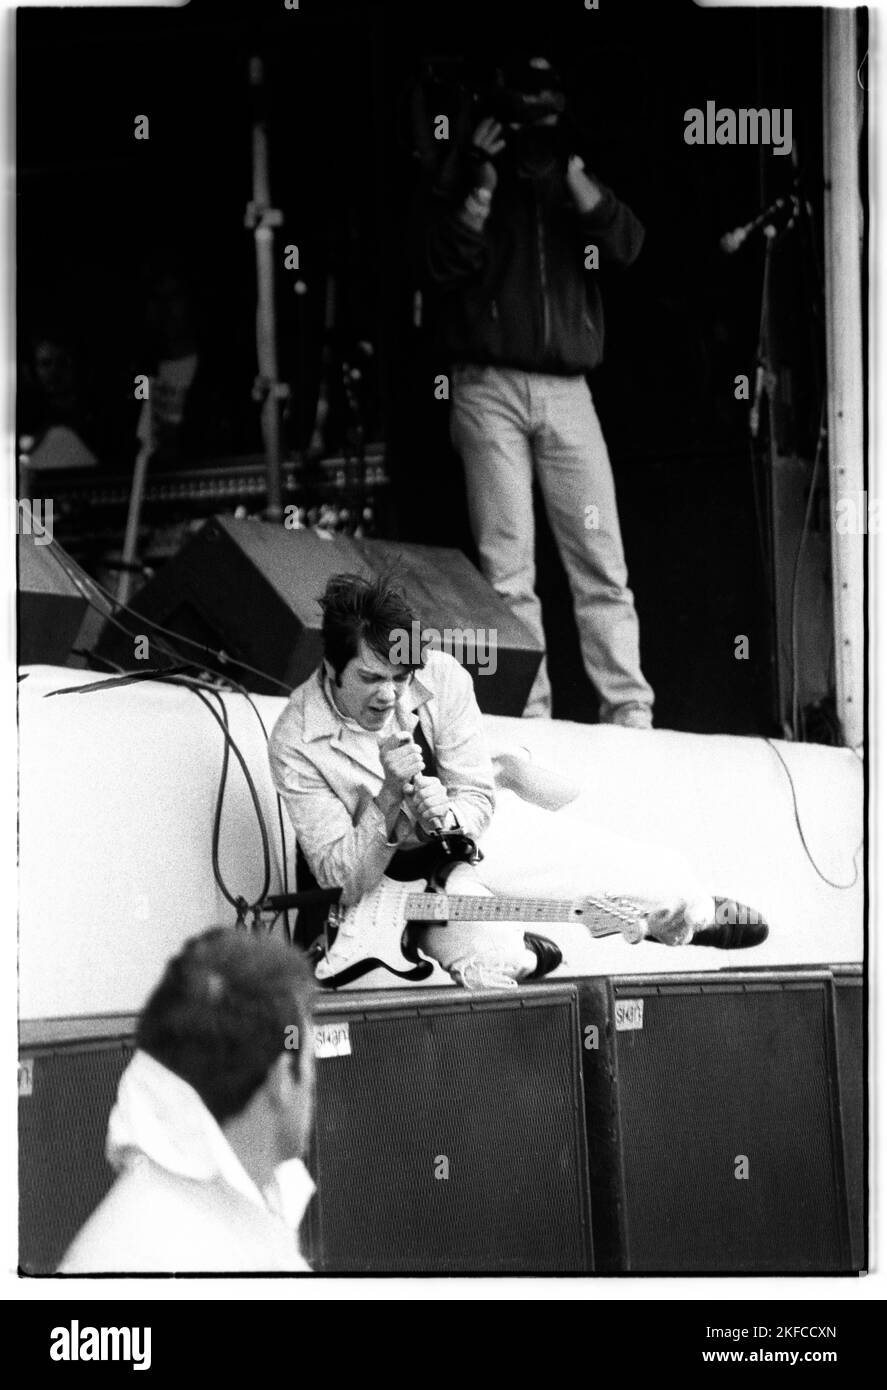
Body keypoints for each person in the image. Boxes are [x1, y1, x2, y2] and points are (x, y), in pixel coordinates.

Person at [269, 574, 753, 992]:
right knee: (499, 959)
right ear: (331, 669)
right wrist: (390, 799)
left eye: (400, 676)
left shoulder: (442, 676)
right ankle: (531, 948)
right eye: (371, 678)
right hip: (396, 886)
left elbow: (477, 797)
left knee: (663, 885)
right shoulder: (295, 739)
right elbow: (338, 877)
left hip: (475, 837)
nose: (389, 694)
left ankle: (696, 914)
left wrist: (448, 817)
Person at [421, 55, 654, 725]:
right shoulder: (470, 172)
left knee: (600, 558)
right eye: (525, 122)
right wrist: (477, 179)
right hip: (485, 386)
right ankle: (531, 715)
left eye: (546, 121)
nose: (534, 139)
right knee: (506, 569)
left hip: (567, 389)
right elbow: (440, 265)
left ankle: (629, 709)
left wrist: (576, 176)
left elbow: (629, 249)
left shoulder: (570, 177)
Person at [59, 928, 316, 1274]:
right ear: (284, 1080)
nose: (312, 1088)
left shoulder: (162, 1223)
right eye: (311, 1069)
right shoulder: (162, 1259)